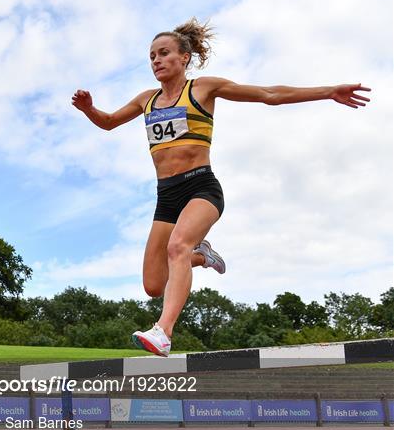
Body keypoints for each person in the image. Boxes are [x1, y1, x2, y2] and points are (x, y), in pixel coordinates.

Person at [72, 18, 371, 357]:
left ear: (184, 57)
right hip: (166, 196)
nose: (156, 60)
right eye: (151, 55)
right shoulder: (146, 100)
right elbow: (109, 122)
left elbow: (268, 94)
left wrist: (328, 91)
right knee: (154, 284)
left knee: (176, 247)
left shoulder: (202, 89)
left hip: (201, 188)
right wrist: (89, 110)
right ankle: (204, 255)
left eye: (164, 53)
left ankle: (163, 332)